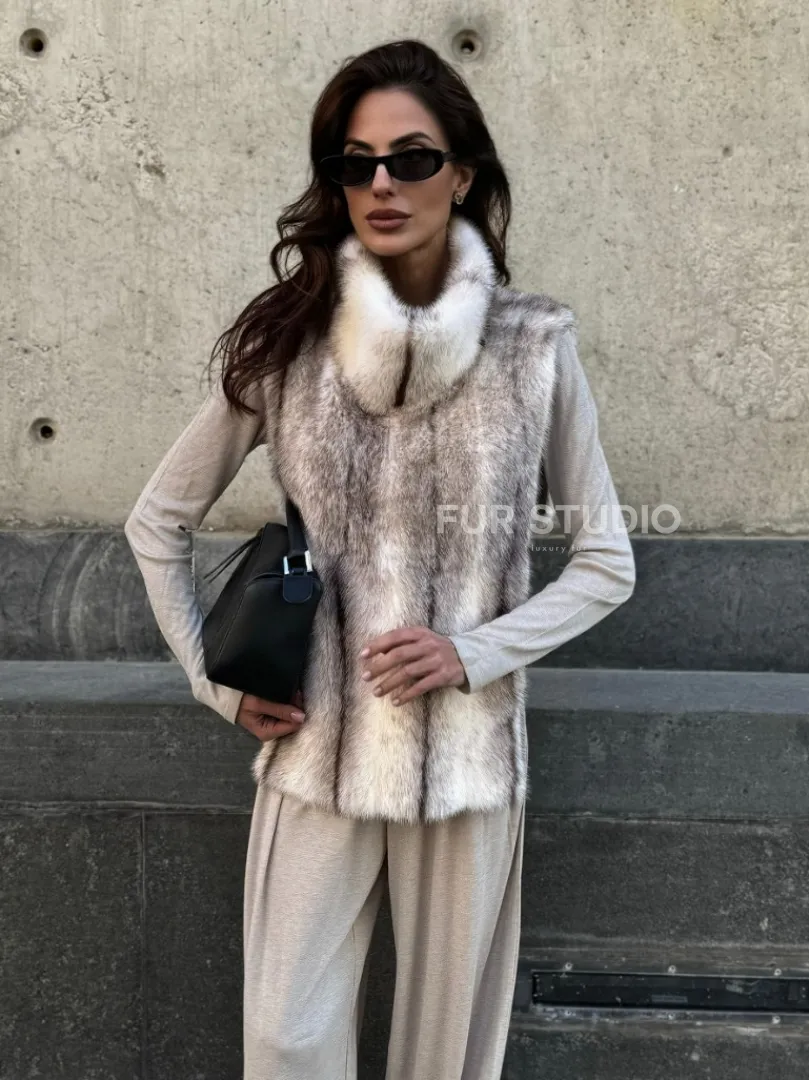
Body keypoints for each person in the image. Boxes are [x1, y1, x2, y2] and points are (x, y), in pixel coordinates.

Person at [124, 37, 636, 1080]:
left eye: (411, 158)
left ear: (463, 174)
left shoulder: (533, 346)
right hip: (316, 743)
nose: (382, 185)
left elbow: (604, 561)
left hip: (467, 756)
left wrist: (471, 652)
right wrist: (215, 685)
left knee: (446, 1056)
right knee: (285, 1036)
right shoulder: (289, 343)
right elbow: (156, 522)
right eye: (354, 164)